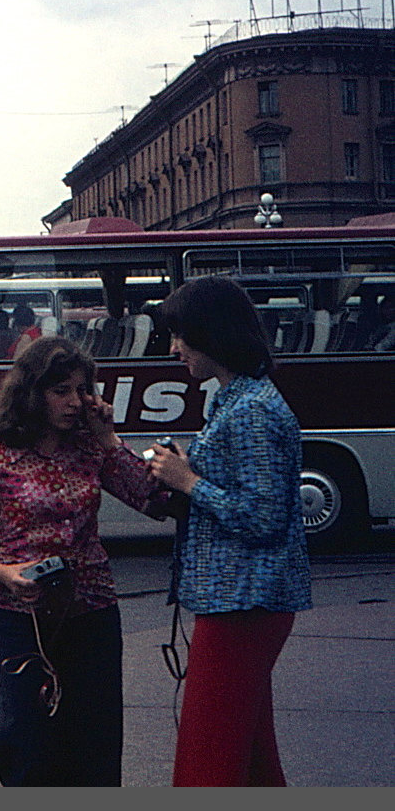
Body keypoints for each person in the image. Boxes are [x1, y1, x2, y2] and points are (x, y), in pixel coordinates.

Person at [0, 336, 168, 786]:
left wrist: (109, 438)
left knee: (94, 736)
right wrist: (0, 573)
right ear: (32, 393)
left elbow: (149, 500)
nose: (74, 402)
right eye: (60, 390)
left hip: (93, 610)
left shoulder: (90, 450)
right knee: (26, 737)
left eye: (81, 389)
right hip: (21, 615)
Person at [146, 275, 311, 787]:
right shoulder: (232, 400)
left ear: (211, 334)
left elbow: (264, 518)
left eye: (181, 336)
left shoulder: (252, 412)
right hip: (241, 601)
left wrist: (189, 481)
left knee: (208, 756)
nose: (174, 348)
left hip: (244, 603)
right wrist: (186, 476)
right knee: (252, 756)